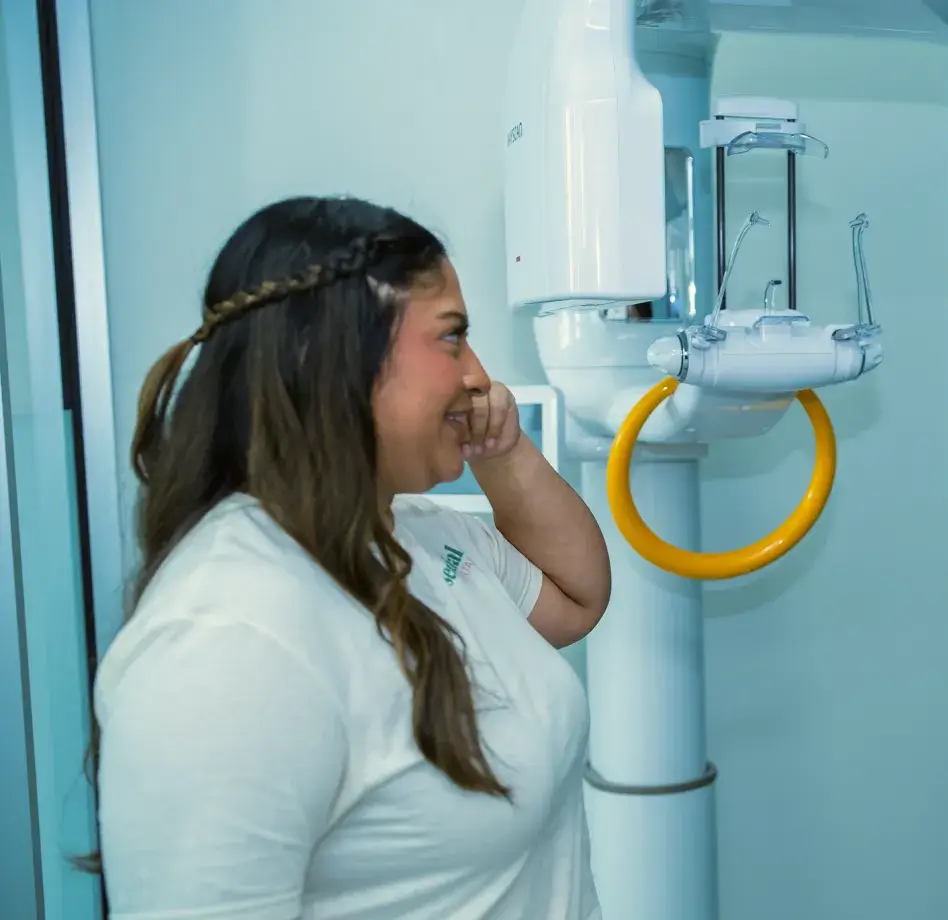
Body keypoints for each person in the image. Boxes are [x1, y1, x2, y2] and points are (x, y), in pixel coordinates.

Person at [89, 195, 612, 919]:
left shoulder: (417, 534)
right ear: (330, 356)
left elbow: (575, 599)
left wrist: (502, 451)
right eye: (452, 338)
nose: (477, 375)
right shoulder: (228, 643)